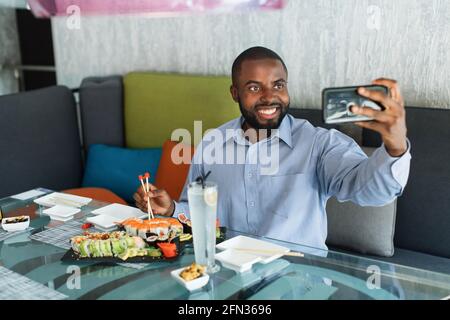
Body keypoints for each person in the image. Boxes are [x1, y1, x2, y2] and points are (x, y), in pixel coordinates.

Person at [134, 46, 411, 250]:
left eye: (278, 85)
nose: (269, 97)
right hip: (229, 279)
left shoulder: (319, 144)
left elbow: (371, 191)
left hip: (300, 284)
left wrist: (395, 147)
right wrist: (171, 209)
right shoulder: (210, 144)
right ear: (235, 93)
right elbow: (201, 216)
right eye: (254, 88)